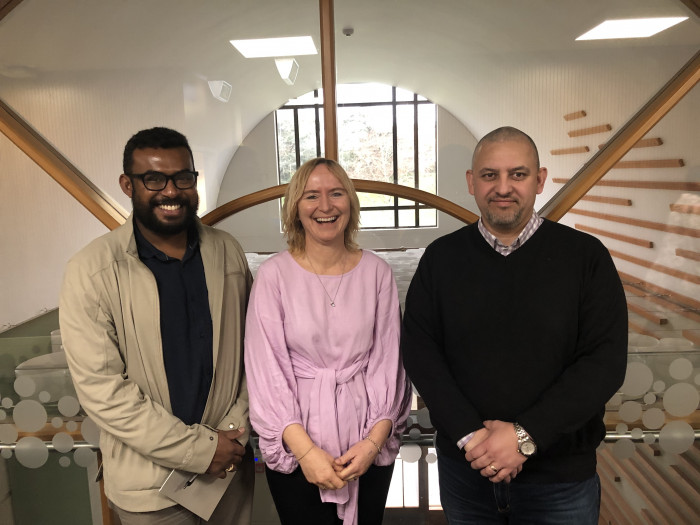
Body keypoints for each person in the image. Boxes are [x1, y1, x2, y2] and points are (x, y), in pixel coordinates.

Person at [401, 126, 628, 524]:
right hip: (467, 474)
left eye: (517, 174)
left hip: (560, 482)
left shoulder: (586, 258)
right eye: (490, 175)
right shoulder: (441, 260)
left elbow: (604, 363)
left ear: (540, 180)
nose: (503, 187)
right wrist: (475, 439)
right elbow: (421, 354)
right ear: (472, 182)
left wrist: (525, 436)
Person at [59, 127, 254, 525]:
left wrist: (233, 433)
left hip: (228, 475)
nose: (170, 191)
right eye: (153, 179)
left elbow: (255, 352)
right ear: (127, 185)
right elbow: (103, 391)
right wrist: (200, 450)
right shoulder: (91, 271)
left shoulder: (227, 251)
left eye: (183, 178)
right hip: (152, 492)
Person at [244, 158, 411, 525]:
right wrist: (306, 453)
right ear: (294, 208)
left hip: (366, 441)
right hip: (297, 445)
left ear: (350, 204)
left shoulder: (377, 273)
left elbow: (390, 363)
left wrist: (372, 444)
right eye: (311, 196)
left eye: (336, 194)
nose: (325, 206)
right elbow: (266, 371)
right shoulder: (273, 276)